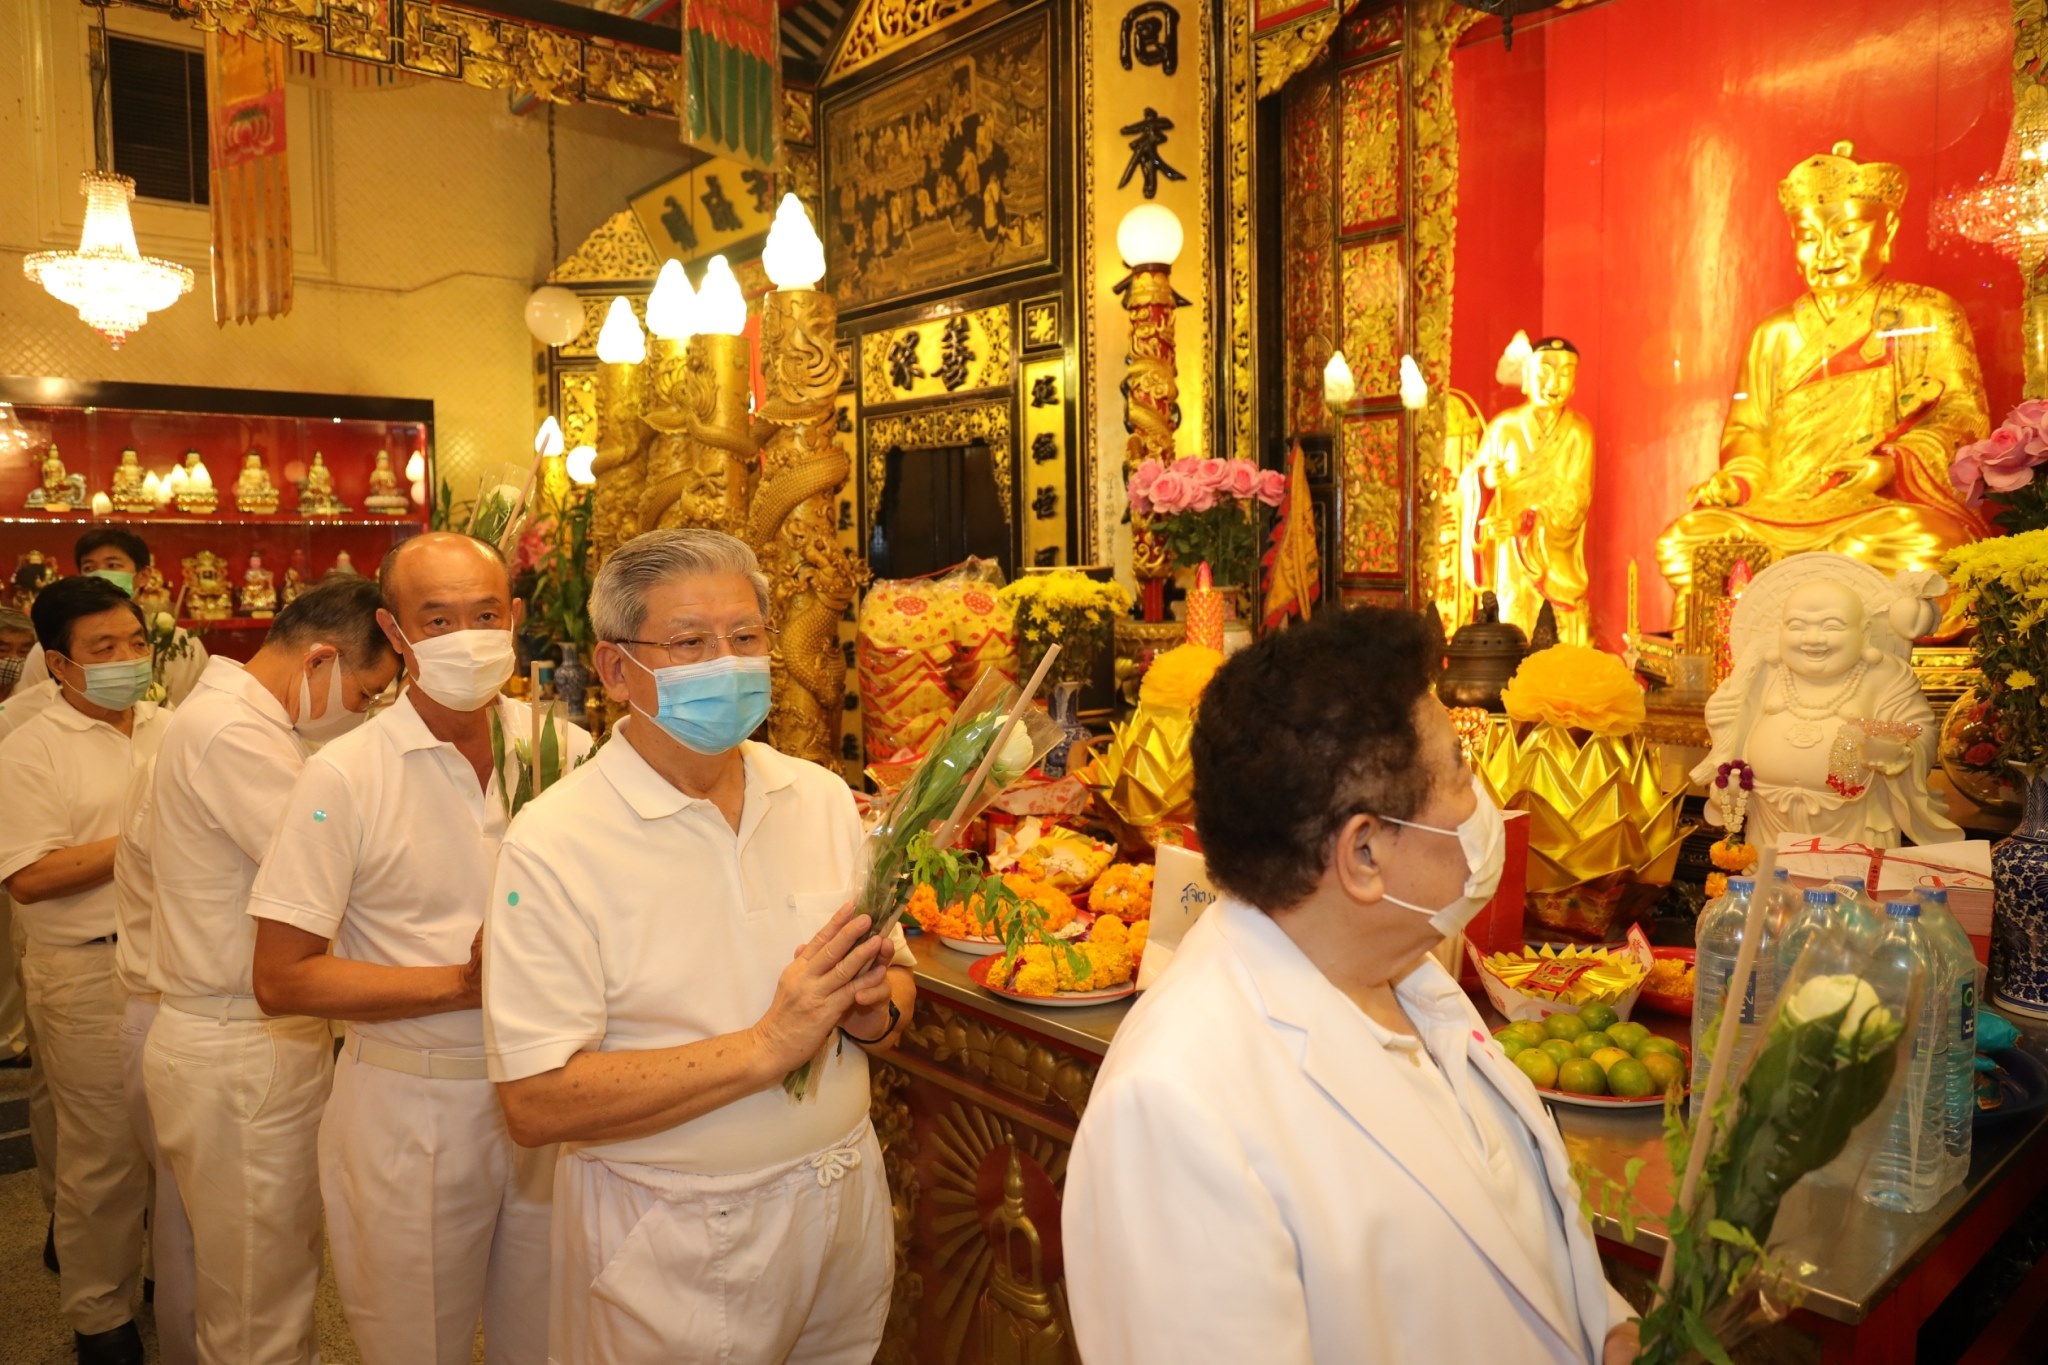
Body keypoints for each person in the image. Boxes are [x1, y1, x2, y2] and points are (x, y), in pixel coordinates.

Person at [1061, 606, 1638, 1365]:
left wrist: (1608, 1326)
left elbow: (1510, 1243)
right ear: (1364, 853)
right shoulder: (1175, 1107)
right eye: (1461, 772)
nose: (1483, 800)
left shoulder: (1406, 974)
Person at [485, 529, 912, 1365]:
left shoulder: (820, 797)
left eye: (745, 636)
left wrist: (870, 1009)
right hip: (673, 1228)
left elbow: (893, 992)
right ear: (615, 670)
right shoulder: (556, 841)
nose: (728, 662)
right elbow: (535, 1101)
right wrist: (766, 1045)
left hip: (841, 1200)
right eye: (689, 642)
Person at [248, 532, 588, 1365]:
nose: (465, 637)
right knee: (415, 1345)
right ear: (393, 632)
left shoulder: (568, 753)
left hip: (556, 1098)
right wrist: (461, 986)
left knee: (551, 1341)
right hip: (413, 1105)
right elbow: (282, 978)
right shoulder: (344, 775)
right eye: (437, 620)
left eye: (484, 615)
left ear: (514, 618)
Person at [144, 576, 400, 1364]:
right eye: (367, 692)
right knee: (263, 1302)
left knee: (241, 1277)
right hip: (241, 1045)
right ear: (320, 659)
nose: (364, 711)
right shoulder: (234, 732)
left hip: (234, 1038)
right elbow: (338, 874)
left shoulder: (246, 720)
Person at [0, 576, 174, 1365]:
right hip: (85, 971)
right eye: (104, 648)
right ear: (60, 664)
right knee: (103, 1154)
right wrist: (144, 835)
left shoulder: (173, 727)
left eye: (135, 641)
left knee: (175, 1141)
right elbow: (30, 876)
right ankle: (99, 1312)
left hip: (178, 962)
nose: (127, 658)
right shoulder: (29, 748)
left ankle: (165, 1277)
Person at [110, 754, 198, 1365]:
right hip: (177, 1010)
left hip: (181, 1012)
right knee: (197, 1230)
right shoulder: (193, 760)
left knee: (185, 1221)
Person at [17, 529, 209, 706]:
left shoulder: (185, 643)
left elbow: (204, 709)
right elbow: (28, 709)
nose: (100, 575)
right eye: (89, 568)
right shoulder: (54, 647)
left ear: (143, 575)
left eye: (113, 565)